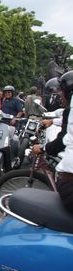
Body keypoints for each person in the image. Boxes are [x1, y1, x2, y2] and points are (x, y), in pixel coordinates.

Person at [52, 71, 73, 211]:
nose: (60, 94)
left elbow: (62, 141)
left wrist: (43, 148)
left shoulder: (69, 111)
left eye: (62, 91)